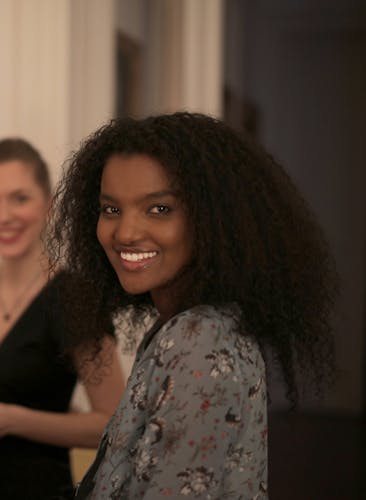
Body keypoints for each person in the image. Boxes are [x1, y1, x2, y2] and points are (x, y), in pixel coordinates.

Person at [47, 112, 337, 498]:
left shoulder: (198, 341)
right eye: (111, 209)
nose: (126, 232)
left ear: (213, 219)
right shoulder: (186, 325)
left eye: (159, 209)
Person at [0, 138, 125, 500]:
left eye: (19, 198)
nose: (3, 215)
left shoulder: (77, 300)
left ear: (48, 205)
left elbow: (114, 425)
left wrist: (10, 420)